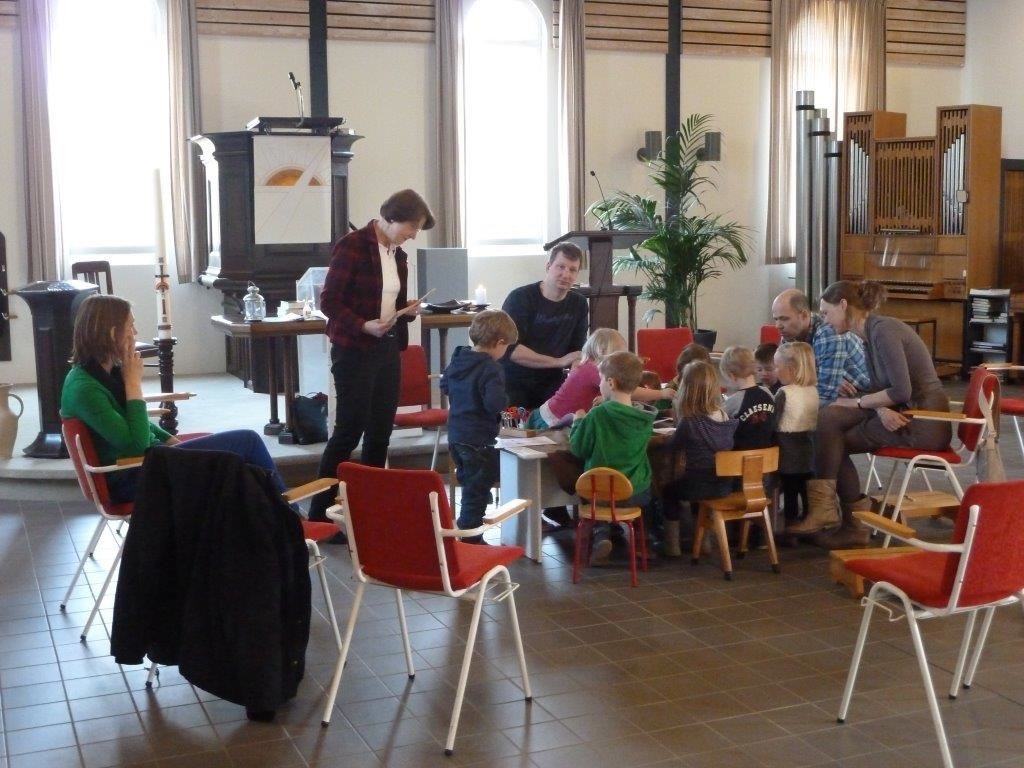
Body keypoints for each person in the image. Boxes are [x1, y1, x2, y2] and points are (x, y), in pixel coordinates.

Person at [60, 294, 289, 505]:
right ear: (112, 334)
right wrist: (133, 384)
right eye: (130, 326)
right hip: (133, 477)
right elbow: (138, 446)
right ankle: (289, 516)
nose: (135, 332)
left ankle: (269, 519)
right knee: (247, 441)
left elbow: (137, 423)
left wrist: (172, 442)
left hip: (151, 464)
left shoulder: (101, 374)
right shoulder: (84, 388)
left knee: (235, 461)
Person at [306, 189, 435, 525]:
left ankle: (371, 512)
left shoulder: (398, 254)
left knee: (380, 433)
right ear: (390, 218)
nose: (413, 234)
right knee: (349, 431)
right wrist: (363, 325)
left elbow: (391, 301)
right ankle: (319, 514)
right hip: (354, 350)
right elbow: (329, 302)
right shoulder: (352, 246)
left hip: (388, 348)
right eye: (411, 226)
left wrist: (407, 310)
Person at [809, 280, 951, 548]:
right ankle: (832, 511)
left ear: (843, 305)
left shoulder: (883, 332)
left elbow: (900, 391)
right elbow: (882, 389)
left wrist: (859, 402)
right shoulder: (869, 333)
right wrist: (876, 406)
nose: (825, 320)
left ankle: (850, 522)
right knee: (828, 418)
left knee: (833, 441)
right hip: (905, 412)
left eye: (826, 313)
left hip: (922, 421)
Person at [569, 351, 655, 565]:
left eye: (600, 380)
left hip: (602, 492)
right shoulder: (645, 418)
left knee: (599, 489)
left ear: (611, 383)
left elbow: (578, 448)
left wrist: (578, 421)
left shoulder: (598, 414)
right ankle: (642, 540)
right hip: (636, 490)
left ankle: (602, 536)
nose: (599, 384)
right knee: (625, 491)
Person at [440, 310, 518, 543]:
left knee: (470, 483)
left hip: (456, 435)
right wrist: (506, 399)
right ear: (499, 342)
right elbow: (493, 404)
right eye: (506, 347)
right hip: (478, 439)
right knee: (477, 491)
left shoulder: (459, 358)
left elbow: (445, 385)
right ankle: (470, 538)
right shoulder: (491, 368)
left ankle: (470, 526)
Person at [659, 361, 738, 557]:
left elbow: (673, 446)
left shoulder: (690, 422)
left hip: (698, 484)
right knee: (699, 490)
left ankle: (672, 546)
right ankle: (703, 541)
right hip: (723, 484)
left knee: (669, 491)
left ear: (686, 389)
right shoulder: (724, 416)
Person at [501, 242, 589, 409]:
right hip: (515, 380)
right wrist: (558, 361)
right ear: (548, 266)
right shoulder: (520, 298)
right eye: (561, 267)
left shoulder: (579, 303)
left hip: (554, 382)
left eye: (572, 270)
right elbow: (510, 349)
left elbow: (577, 350)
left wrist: (576, 377)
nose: (566, 274)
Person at [770, 288, 871, 405]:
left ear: (804, 315)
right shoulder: (789, 335)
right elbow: (786, 378)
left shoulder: (828, 331)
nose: (778, 326)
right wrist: (821, 379)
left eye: (784, 319)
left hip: (864, 394)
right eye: (776, 319)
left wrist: (818, 380)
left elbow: (825, 393)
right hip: (835, 395)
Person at [771, 342, 819, 527]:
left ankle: (790, 524)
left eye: (777, 366)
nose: (775, 371)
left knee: (790, 489)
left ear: (790, 369)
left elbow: (774, 422)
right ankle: (809, 521)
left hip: (787, 448)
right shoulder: (813, 390)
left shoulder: (784, 393)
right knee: (806, 489)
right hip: (808, 447)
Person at [720, 346, 776, 450]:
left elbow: (720, 424)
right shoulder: (767, 392)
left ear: (732, 376)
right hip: (769, 456)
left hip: (739, 456)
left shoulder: (733, 401)